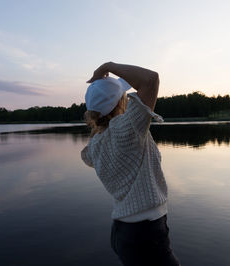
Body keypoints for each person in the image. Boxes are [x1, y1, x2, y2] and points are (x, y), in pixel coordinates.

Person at [81, 62, 180, 266]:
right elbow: (150, 80)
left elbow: (96, 156)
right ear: (120, 102)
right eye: (124, 97)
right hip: (146, 234)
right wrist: (108, 66)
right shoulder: (127, 129)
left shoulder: (95, 145)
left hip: (124, 233)